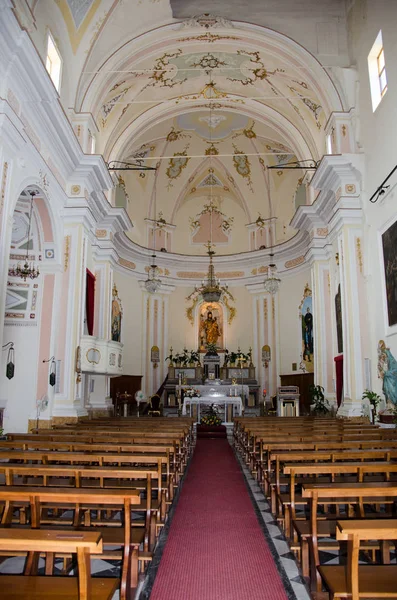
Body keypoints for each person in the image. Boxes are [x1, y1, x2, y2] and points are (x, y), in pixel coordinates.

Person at [378, 340, 397, 407]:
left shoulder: (392, 362)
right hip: (386, 380)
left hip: (391, 381)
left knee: (391, 392)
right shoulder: (383, 362)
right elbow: (381, 367)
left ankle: (392, 407)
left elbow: (395, 370)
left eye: (384, 356)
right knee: (387, 392)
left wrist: (386, 373)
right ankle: (389, 407)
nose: (383, 358)